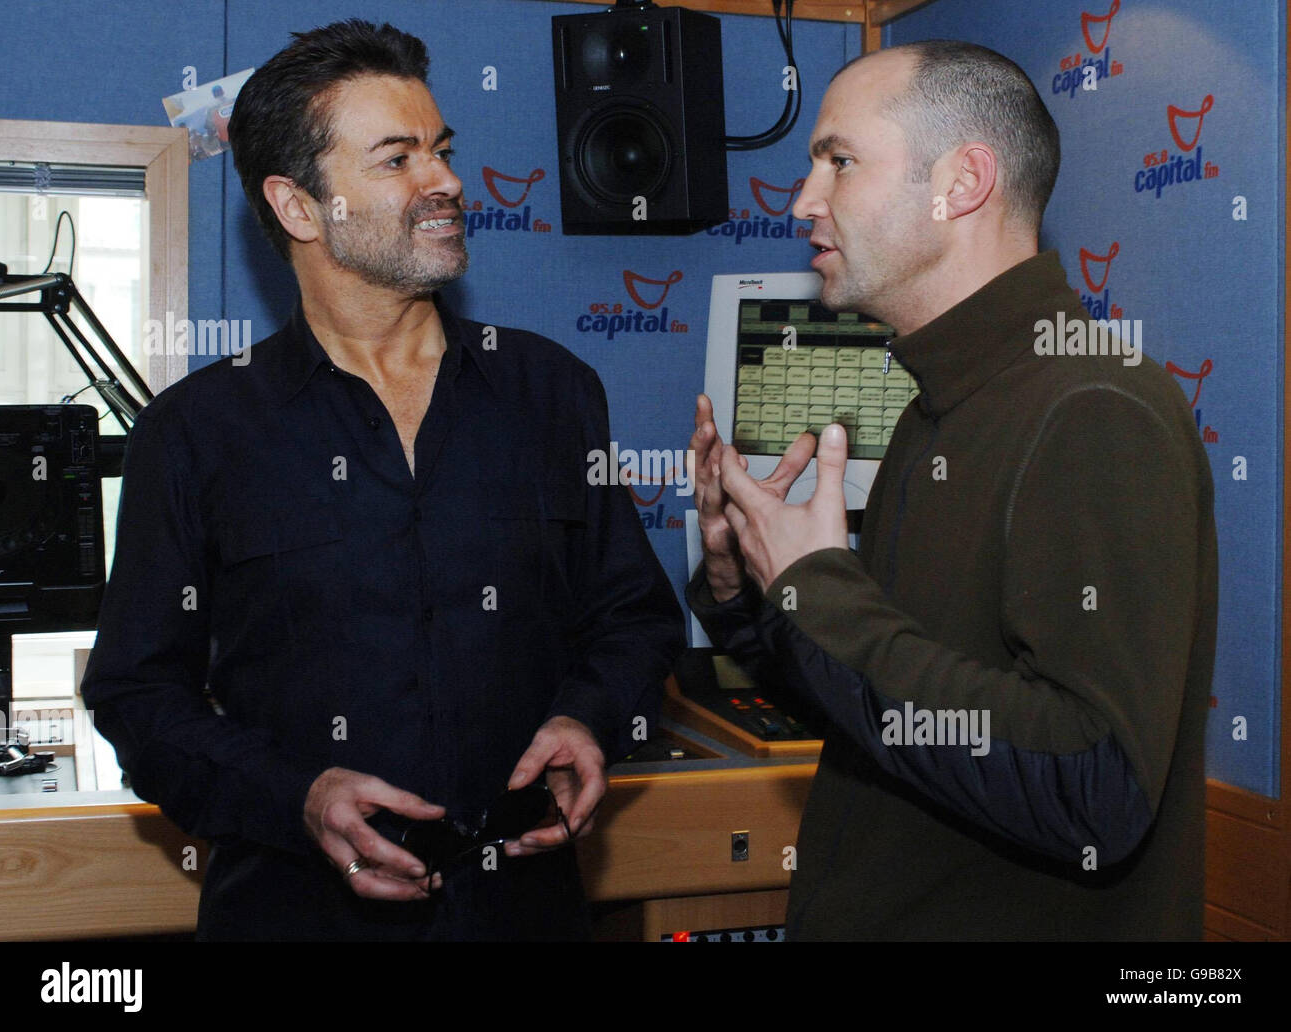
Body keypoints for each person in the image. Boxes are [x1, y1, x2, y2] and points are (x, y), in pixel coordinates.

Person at [81, 19, 684, 941]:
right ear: (299, 207)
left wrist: (591, 720)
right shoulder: (197, 433)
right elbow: (137, 696)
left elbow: (632, 616)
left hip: (525, 914)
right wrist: (299, 795)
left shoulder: (553, 394)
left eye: (441, 151)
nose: (444, 181)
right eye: (396, 160)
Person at [687, 39, 1216, 940]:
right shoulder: (939, 405)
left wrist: (819, 585)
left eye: (838, 162)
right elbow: (877, 701)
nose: (803, 201)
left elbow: (1094, 786)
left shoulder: (1093, 407)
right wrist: (748, 587)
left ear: (961, 183)